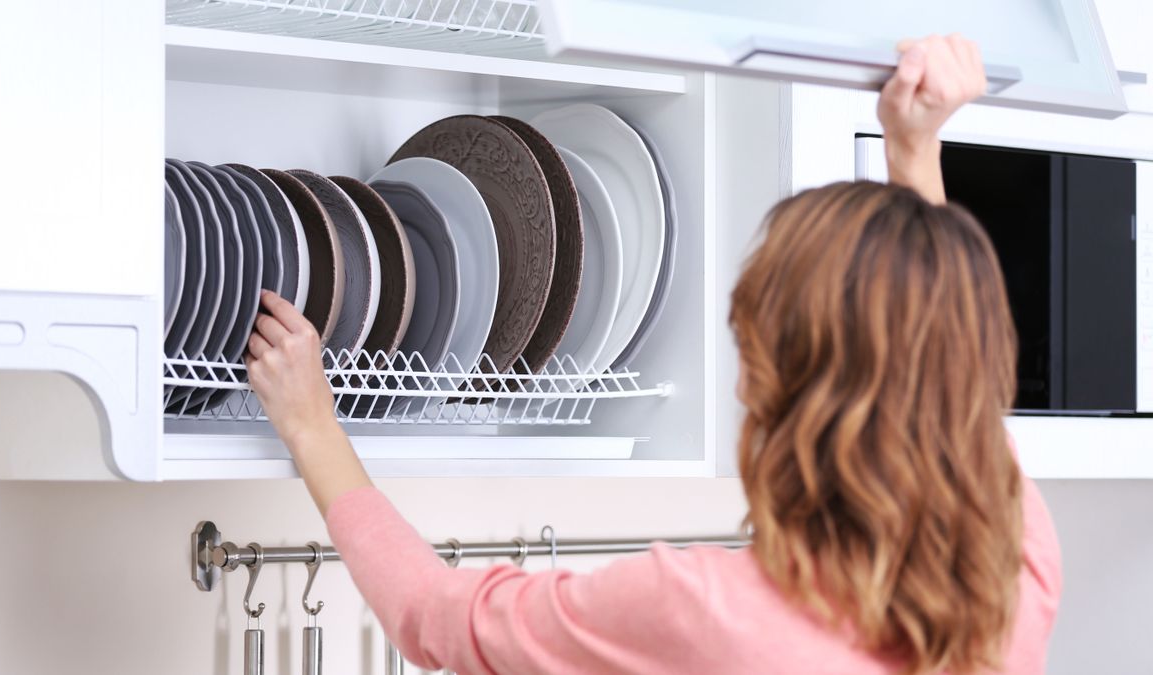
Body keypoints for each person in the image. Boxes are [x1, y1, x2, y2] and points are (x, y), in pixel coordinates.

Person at [244, 34, 1061, 675]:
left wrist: (315, 425)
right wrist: (914, 153)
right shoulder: (1015, 578)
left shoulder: (707, 610)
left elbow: (433, 616)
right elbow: (942, 370)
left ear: (771, 380)